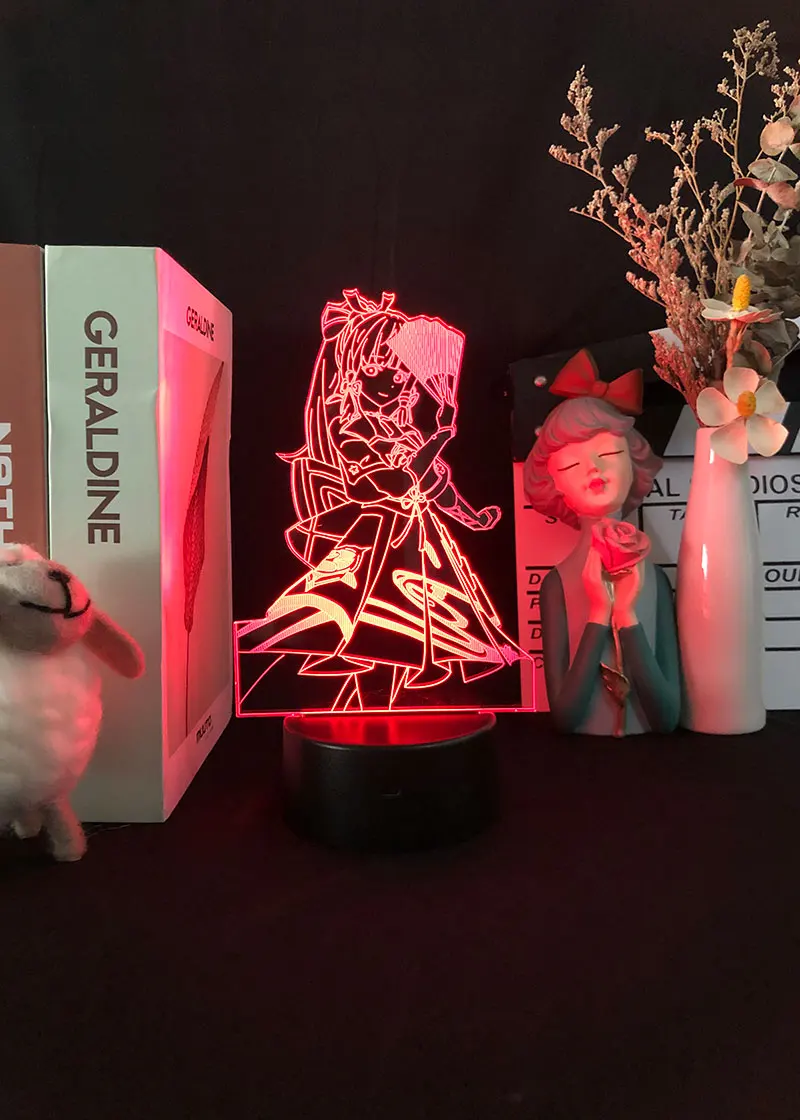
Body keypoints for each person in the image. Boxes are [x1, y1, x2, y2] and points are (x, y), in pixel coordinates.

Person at [241, 289, 523, 711]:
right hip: (374, 544)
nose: (395, 380)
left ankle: (378, 708)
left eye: (402, 372)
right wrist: (439, 438)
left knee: (408, 637)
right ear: (352, 375)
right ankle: (359, 710)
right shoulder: (351, 431)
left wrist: (472, 518)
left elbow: (434, 486)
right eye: (378, 368)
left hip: (418, 545)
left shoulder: (404, 431)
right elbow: (391, 482)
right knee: (366, 627)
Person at [523, 350, 680, 735]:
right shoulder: (557, 585)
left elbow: (667, 718)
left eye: (610, 452)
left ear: (635, 464)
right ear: (554, 484)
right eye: (572, 464)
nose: (594, 466)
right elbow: (565, 717)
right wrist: (598, 614)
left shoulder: (655, 581)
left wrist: (626, 617)